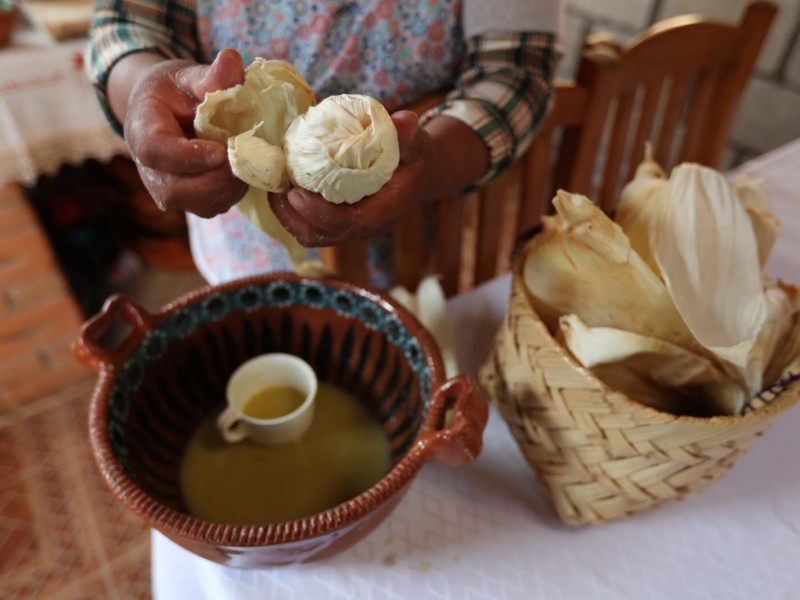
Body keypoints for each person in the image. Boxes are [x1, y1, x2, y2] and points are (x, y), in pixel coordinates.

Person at [86, 1, 561, 289]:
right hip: (241, 246)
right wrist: (141, 86)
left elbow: (515, 71)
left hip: (420, 243)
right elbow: (126, 25)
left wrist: (430, 162)